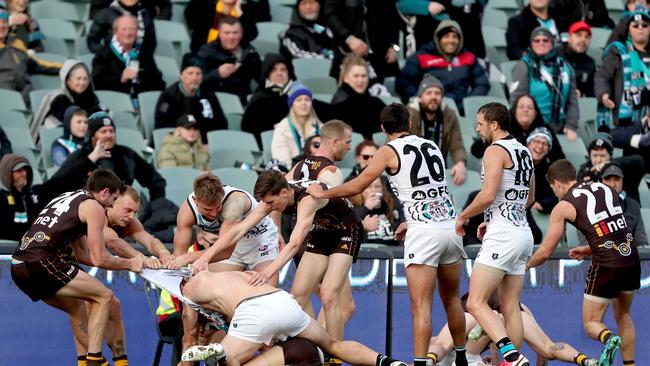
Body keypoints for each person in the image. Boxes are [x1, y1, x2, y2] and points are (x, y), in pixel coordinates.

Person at [307, 103, 469, 366]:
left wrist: (322, 193)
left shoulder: (388, 150)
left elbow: (359, 185)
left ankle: (418, 364)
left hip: (424, 233)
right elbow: (431, 189)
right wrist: (410, 220)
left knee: (421, 305)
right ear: (410, 124)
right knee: (452, 298)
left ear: (383, 128)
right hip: (449, 225)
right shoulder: (431, 145)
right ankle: (462, 357)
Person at [191, 170, 363, 349]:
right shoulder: (277, 194)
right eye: (265, 203)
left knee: (328, 294)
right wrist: (206, 257)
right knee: (298, 295)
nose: (269, 207)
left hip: (346, 230)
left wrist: (268, 271)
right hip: (321, 229)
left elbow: (295, 243)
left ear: (284, 193)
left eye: (271, 203)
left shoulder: (307, 200)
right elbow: (239, 230)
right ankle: (313, 349)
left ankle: (334, 355)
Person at [10, 169, 144, 366]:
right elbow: (100, 259)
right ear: (105, 192)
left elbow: (83, 255)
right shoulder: (94, 207)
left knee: (78, 307)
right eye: (114, 199)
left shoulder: (70, 197)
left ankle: (85, 362)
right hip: (41, 261)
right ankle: (94, 362)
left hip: (18, 267)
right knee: (104, 296)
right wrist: (130, 263)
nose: (112, 205)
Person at [527, 159, 641, 366]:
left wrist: (525, 265)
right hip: (631, 258)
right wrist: (589, 248)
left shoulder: (563, 206)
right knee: (623, 314)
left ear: (557, 183)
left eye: (553, 188)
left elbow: (544, 252)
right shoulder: (605, 188)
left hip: (606, 265)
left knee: (591, 324)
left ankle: (609, 338)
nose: (554, 193)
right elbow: (614, 230)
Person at [179, 271, 407, 366]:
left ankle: (223, 351)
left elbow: (189, 340)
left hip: (252, 311)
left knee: (229, 361)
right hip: (281, 301)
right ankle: (388, 362)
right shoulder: (229, 274)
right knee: (332, 345)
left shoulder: (188, 290)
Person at [166, 173, 280, 359]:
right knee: (194, 288)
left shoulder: (233, 204)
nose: (213, 213)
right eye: (207, 209)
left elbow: (225, 251)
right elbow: (179, 260)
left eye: (216, 207)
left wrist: (190, 257)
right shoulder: (187, 211)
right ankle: (193, 339)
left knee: (265, 311)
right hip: (230, 245)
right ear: (196, 200)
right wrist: (180, 263)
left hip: (259, 243)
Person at [455, 102, 535, 365]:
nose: (477, 128)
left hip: (504, 235)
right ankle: (512, 362)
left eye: (480, 123)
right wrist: (498, 217)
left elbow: (488, 195)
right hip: (523, 233)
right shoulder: (524, 150)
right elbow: (530, 197)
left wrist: (464, 215)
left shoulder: (495, 150)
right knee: (510, 304)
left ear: (494, 124)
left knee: (476, 302)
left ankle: (510, 355)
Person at [429, 292, 600, 366]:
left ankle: (424, 361)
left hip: (474, 308)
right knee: (548, 346)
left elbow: (439, 343)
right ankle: (586, 360)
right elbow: (544, 353)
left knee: (442, 345)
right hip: (511, 307)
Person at [44, 112, 167, 204]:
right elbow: (56, 185)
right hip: (88, 213)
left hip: (122, 213)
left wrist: (156, 204)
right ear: (92, 136)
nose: (109, 135)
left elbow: (156, 180)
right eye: (103, 131)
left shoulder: (126, 154)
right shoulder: (81, 156)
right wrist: (90, 160)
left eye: (111, 131)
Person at [397, 20, 490, 116]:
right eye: (446, 36)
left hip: (460, 110)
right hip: (428, 110)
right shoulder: (421, 57)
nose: (451, 40)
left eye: (455, 37)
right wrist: (422, 99)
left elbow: (482, 83)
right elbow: (404, 83)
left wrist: (466, 103)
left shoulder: (469, 57)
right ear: (438, 39)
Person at [510, 26, 580, 140]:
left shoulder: (566, 67)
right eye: (537, 40)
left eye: (545, 40)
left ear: (552, 43)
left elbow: (572, 100)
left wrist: (571, 125)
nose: (541, 43)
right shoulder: (523, 66)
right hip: (532, 127)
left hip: (560, 127)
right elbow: (517, 101)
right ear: (531, 43)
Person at [92, 15, 165, 109]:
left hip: (143, 105)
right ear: (116, 32)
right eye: (124, 29)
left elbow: (159, 82)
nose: (128, 33)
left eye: (132, 29)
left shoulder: (144, 54)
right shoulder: (104, 54)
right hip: (114, 104)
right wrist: (120, 78)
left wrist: (141, 77)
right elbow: (97, 81)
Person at [154, 53, 228, 144]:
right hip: (176, 144)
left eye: (198, 74)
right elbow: (162, 126)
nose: (194, 78)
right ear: (181, 75)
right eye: (190, 73)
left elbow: (221, 124)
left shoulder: (209, 95)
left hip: (206, 145)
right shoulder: (168, 96)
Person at [594, 8, 650, 128]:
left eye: (644, 25)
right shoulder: (618, 52)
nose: (640, 28)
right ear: (628, 29)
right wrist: (604, 95)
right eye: (635, 25)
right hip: (627, 123)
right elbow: (602, 76)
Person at [407, 74, 466, 185]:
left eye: (437, 93)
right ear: (420, 97)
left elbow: (457, 144)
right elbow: (394, 144)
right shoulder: (409, 115)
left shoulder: (449, 115)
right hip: (412, 171)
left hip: (439, 169)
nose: (433, 97)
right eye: (429, 93)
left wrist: (460, 163)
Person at [471, 95, 565, 162]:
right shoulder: (503, 129)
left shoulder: (545, 131)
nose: (525, 110)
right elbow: (476, 150)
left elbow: (559, 158)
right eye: (521, 107)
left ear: (535, 113)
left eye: (530, 108)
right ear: (514, 111)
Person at [323, 0, 400, 82]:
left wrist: (394, 47)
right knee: (348, 92)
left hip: (379, 58)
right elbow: (330, 16)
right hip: (347, 53)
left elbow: (394, 22)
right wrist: (349, 39)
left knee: (377, 91)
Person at [31, 59, 101, 141]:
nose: (82, 82)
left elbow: (98, 116)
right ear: (67, 80)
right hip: (56, 141)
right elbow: (66, 126)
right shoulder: (59, 98)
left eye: (85, 79)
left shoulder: (90, 97)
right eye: (78, 79)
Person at [198, 16, 262, 105]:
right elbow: (195, 79)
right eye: (227, 33)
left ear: (241, 33)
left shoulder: (250, 53)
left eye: (235, 33)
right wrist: (218, 74)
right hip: (214, 101)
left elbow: (262, 79)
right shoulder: (207, 51)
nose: (231, 37)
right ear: (219, 33)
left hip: (242, 102)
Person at [0, 9, 60, 103]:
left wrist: (68, 66)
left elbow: (40, 64)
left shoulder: (17, 44)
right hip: (4, 96)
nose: (2, 26)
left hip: (25, 95)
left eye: (4, 22)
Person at [577, 133, 645, 202]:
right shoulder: (585, 171)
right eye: (595, 155)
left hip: (626, 208)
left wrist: (608, 164)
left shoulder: (621, 166)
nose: (598, 160)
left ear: (610, 155)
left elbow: (639, 161)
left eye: (602, 156)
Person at [330, 55, 386, 138]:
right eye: (356, 76)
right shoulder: (339, 101)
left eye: (363, 76)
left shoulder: (376, 103)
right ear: (346, 78)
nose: (360, 80)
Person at [271, 82, 323, 166]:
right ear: (292, 105)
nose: (304, 103)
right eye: (298, 100)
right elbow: (282, 161)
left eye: (307, 99)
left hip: (319, 172)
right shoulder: (282, 129)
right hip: (292, 173)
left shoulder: (320, 127)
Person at [289, 119, 352, 187]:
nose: (349, 147)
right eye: (347, 143)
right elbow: (331, 197)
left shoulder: (299, 165)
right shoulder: (333, 172)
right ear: (335, 142)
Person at [184, 0, 261, 53]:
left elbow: (252, 34)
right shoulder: (205, 7)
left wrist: (239, 13)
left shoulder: (245, 10)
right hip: (205, 56)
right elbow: (191, 19)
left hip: (234, 57)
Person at [599, 163, 647, 247]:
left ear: (622, 181)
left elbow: (641, 242)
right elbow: (586, 243)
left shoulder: (634, 206)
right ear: (601, 182)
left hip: (629, 256)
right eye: (608, 179)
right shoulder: (589, 206)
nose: (612, 184)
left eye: (616, 179)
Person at [86, 0, 157, 56]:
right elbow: (92, 41)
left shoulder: (145, 15)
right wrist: (109, 53)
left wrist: (136, 57)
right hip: (110, 62)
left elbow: (151, 44)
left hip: (138, 61)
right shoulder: (105, 14)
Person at [356, 176, 405, 246]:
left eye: (378, 186)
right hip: (366, 253)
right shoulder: (355, 207)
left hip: (392, 251)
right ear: (362, 190)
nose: (374, 190)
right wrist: (366, 208)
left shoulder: (392, 206)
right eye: (369, 187)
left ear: (383, 190)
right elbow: (352, 226)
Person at [0, 154, 39, 241]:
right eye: (18, 170)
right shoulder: (2, 198)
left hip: (31, 246)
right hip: (7, 249)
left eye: (25, 170)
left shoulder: (33, 196)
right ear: (7, 174)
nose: (24, 174)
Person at [558, 21, 597, 98]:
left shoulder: (590, 63)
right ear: (569, 38)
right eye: (579, 35)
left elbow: (591, 94)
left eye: (587, 37)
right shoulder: (556, 55)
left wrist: (581, 95)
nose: (583, 40)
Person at [526, 127, 559, 214]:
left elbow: (555, 195)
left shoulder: (551, 171)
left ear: (548, 149)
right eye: (537, 141)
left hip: (537, 215)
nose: (540, 146)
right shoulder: (516, 164)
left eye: (544, 144)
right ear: (528, 144)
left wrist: (543, 204)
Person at [549, 0, 614, 32]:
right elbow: (557, 21)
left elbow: (604, 17)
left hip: (594, 31)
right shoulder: (559, 2)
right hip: (568, 34)